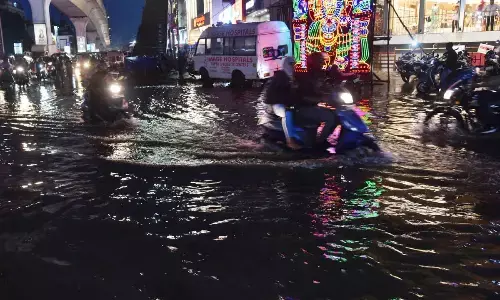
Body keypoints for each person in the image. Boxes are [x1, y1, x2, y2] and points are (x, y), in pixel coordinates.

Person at [294, 52, 337, 147]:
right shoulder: (306, 77)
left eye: (322, 61)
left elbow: (325, 88)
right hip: (303, 109)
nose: (322, 63)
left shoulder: (320, 75)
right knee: (330, 118)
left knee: (336, 115)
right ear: (313, 62)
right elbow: (304, 97)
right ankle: (320, 143)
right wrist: (320, 99)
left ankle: (322, 139)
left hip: (312, 107)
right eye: (320, 61)